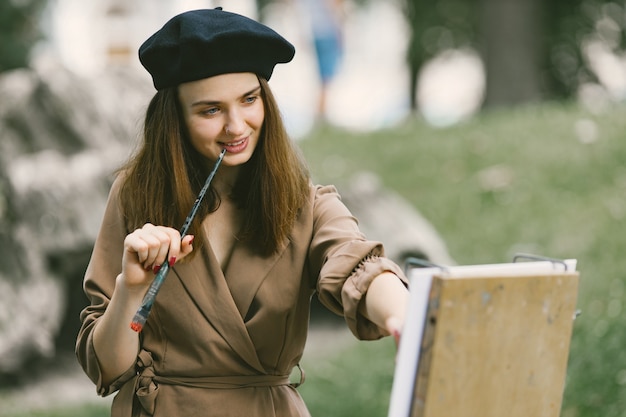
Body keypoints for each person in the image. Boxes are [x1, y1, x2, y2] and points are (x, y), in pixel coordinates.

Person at [76, 8, 409, 417]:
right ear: (175, 119)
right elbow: (107, 367)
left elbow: (359, 267)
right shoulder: (134, 196)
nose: (237, 126)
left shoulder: (306, 205)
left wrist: (404, 318)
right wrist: (130, 288)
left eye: (249, 100)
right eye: (210, 110)